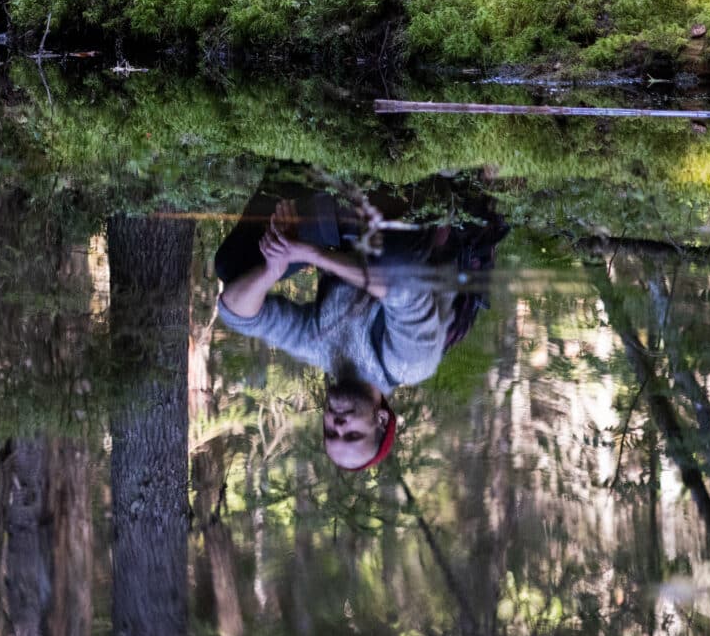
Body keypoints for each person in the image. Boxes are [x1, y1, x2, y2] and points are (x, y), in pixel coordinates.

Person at [211, 181, 503, 473]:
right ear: (382, 419)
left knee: (234, 268)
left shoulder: (319, 349)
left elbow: (235, 312)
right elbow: (402, 287)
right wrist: (311, 254)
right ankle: (421, 187)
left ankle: (297, 175)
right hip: (416, 234)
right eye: (352, 434)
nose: (338, 424)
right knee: (395, 261)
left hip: (348, 235)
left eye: (330, 432)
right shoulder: (410, 364)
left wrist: (272, 269)